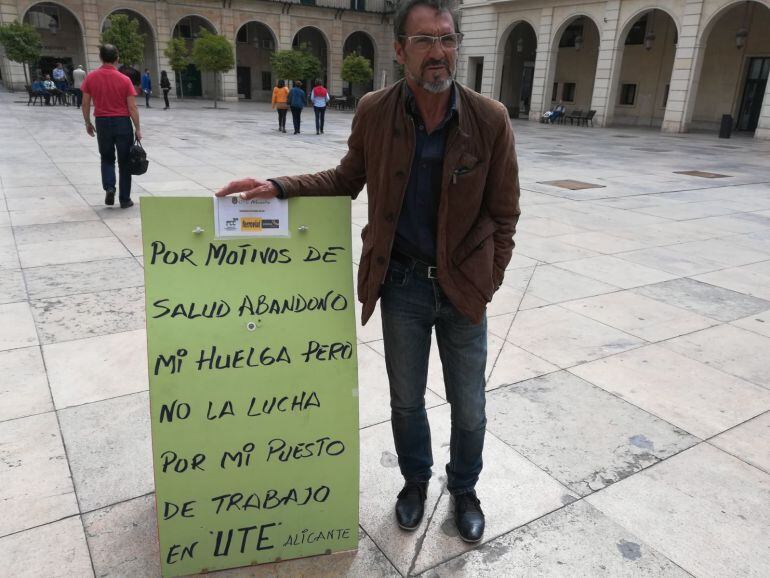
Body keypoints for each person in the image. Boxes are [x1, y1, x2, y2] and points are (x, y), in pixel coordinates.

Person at [215, 0, 519, 544]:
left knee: (469, 405)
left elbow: (504, 212)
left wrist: (487, 278)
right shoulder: (376, 110)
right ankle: (414, 482)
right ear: (400, 49)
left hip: (463, 288)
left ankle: (465, 488)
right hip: (400, 282)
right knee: (405, 399)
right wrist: (278, 186)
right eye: (424, 41)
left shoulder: (489, 119)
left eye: (447, 40)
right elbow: (346, 176)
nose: (438, 53)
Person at [81, 44, 142, 209]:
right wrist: (137, 127)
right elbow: (132, 107)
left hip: (102, 122)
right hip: (122, 123)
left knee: (107, 158)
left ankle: (109, 187)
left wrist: (87, 122)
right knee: (125, 161)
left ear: (100, 57)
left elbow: (85, 103)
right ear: (117, 58)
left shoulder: (91, 78)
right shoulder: (124, 80)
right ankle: (124, 199)